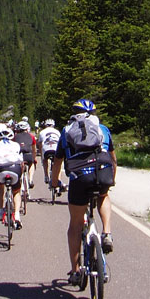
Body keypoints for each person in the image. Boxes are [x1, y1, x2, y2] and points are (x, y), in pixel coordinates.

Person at [50, 99, 117, 286]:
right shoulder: (103, 129)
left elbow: (57, 162)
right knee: (103, 195)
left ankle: (76, 270)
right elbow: (113, 159)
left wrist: (54, 183)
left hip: (79, 178)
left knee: (75, 225)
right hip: (102, 173)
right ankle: (107, 233)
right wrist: (112, 179)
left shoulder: (66, 131)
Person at [0, 125, 24, 229]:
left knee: (0, 187)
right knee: (16, 191)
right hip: (15, 170)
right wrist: (20, 176)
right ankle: (17, 214)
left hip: (0, 170)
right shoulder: (17, 145)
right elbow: (21, 163)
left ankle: (0, 211)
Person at [13, 120, 37, 188]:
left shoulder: (15, 137)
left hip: (19, 156)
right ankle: (30, 180)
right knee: (31, 164)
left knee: (17, 166)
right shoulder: (31, 136)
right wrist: (34, 158)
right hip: (28, 155)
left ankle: (18, 179)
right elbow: (34, 150)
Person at [37, 118, 60, 184]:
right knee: (58, 163)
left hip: (46, 148)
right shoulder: (57, 131)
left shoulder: (42, 132)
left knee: (45, 160)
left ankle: (46, 176)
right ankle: (58, 179)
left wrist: (42, 157)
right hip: (55, 148)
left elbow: (40, 145)